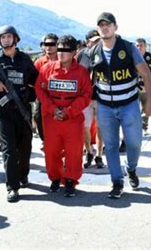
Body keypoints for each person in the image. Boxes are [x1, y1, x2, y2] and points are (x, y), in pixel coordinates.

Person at [89, 12, 151, 199]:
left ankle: (131, 168)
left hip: (129, 105)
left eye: (108, 24)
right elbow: (87, 78)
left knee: (134, 143)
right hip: (105, 107)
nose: (104, 27)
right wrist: (91, 102)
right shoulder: (94, 51)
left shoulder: (128, 48)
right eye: (101, 25)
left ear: (115, 27)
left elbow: (146, 75)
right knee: (110, 145)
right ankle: (117, 181)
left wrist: (150, 102)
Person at [0, 25, 38, 203]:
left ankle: (23, 175)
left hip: (23, 111)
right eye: (3, 37)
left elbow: (36, 81)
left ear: (15, 39)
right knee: (9, 150)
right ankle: (12, 187)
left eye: (9, 37)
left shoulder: (25, 59)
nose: (6, 40)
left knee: (25, 147)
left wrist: (30, 95)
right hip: (3, 112)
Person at [35, 35, 92, 197]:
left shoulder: (81, 72)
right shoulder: (47, 68)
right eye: (59, 49)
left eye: (66, 50)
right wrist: (52, 109)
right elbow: (40, 90)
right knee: (51, 150)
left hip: (72, 119)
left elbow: (86, 95)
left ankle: (70, 180)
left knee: (73, 152)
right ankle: (54, 178)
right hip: (51, 118)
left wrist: (69, 111)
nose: (61, 53)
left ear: (74, 52)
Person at [78, 29, 105, 169]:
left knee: (101, 128)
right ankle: (89, 152)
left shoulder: (105, 54)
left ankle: (99, 155)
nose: (97, 43)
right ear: (87, 42)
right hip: (85, 98)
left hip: (102, 97)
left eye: (99, 40)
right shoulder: (81, 55)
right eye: (94, 41)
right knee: (85, 127)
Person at [33, 34, 58, 149]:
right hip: (42, 96)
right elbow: (33, 79)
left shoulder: (63, 59)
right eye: (46, 44)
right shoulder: (39, 62)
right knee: (37, 116)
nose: (49, 47)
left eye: (52, 44)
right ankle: (45, 140)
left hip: (59, 96)